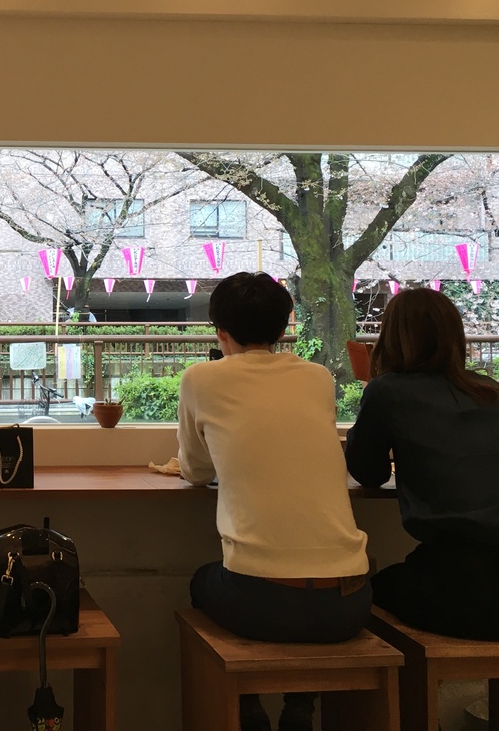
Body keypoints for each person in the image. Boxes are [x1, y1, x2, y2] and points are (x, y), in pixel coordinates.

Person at [178, 272, 370, 731]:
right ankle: (300, 708)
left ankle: (247, 711)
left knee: (202, 581)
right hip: (348, 604)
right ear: (284, 329)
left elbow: (196, 471)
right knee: (322, 585)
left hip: (259, 603)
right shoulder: (318, 378)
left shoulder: (200, 378)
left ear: (220, 331)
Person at [345, 288, 499, 640]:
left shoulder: (388, 392)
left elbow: (368, 473)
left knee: (364, 591)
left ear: (391, 337)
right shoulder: (489, 391)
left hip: (463, 588)